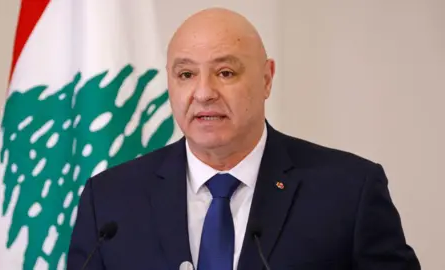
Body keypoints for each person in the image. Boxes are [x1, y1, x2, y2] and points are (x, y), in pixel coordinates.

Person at [67, 7, 420, 270]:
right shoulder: (110, 201)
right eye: (186, 74)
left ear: (267, 79)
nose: (203, 93)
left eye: (225, 72)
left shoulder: (348, 191)